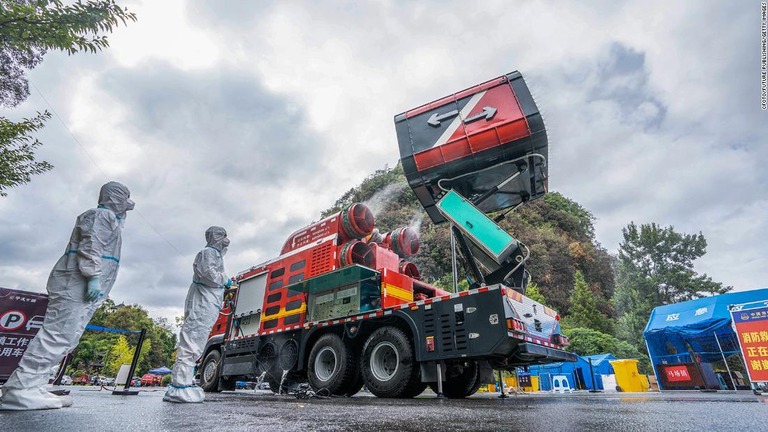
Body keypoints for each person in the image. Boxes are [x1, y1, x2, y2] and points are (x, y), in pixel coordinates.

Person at [0, 182, 134, 411]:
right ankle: (20, 389)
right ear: (115, 197)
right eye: (126, 197)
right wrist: (92, 275)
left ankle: (35, 384)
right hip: (77, 282)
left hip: (83, 285)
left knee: (67, 336)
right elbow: (91, 246)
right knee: (57, 334)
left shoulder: (111, 220)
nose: (129, 202)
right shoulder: (99, 216)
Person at [164, 226, 231, 403]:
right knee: (192, 341)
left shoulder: (214, 255)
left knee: (196, 342)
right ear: (216, 237)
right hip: (203, 304)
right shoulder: (207, 253)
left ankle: (183, 382)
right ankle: (179, 387)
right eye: (223, 236)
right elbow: (208, 274)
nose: (227, 240)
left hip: (206, 303)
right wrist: (226, 280)